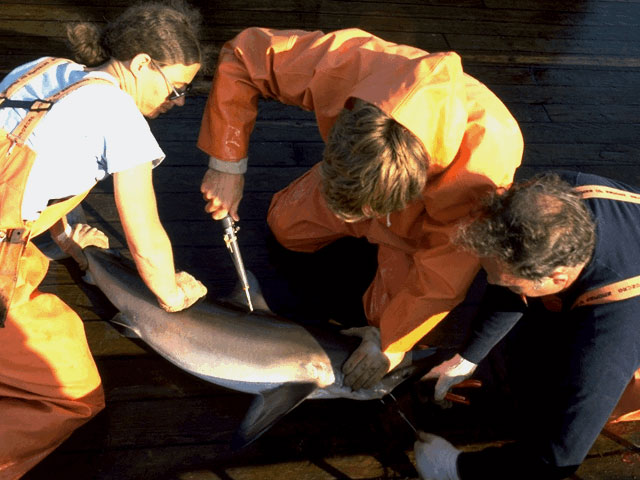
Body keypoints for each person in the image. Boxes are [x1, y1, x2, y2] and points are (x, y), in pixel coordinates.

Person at [197, 27, 523, 390]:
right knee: (286, 227)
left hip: (421, 228)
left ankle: (387, 248)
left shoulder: (485, 164)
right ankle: (347, 199)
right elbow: (244, 56)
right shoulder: (348, 64)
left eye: (363, 211)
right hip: (360, 180)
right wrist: (226, 164)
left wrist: (392, 344)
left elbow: (444, 275)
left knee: (382, 327)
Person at [0, 2, 207, 477]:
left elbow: (23, 165)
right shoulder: (120, 117)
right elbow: (145, 236)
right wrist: (172, 292)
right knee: (73, 394)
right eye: (177, 88)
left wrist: (66, 240)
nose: (178, 101)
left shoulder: (43, 69)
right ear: (140, 64)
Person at [415, 171, 640, 480]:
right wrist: (466, 358)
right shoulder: (550, 196)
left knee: (583, 406)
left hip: (630, 314)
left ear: (558, 278)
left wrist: (455, 467)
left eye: (512, 286)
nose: (495, 283)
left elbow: (559, 458)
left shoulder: (614, 325)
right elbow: (504, 279)